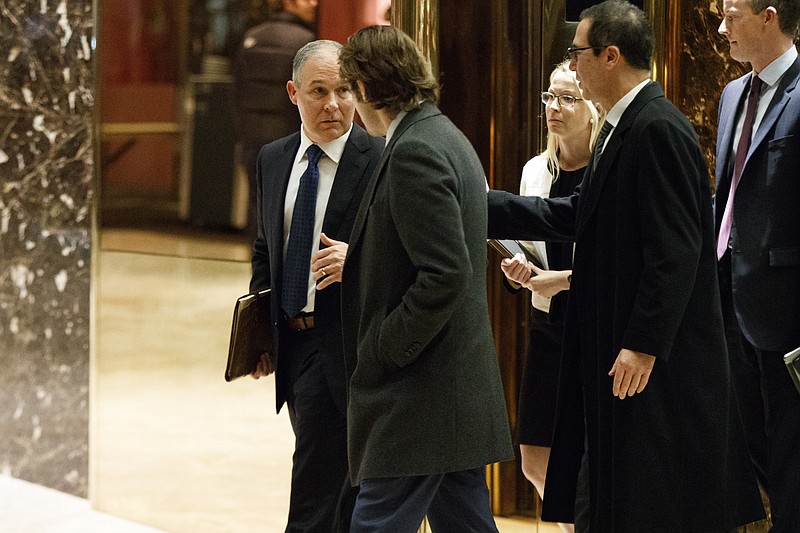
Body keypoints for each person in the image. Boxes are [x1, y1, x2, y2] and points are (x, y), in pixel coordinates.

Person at [487, 1, 764, 530]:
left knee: (652, 503)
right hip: (616, 353)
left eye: (579, 54)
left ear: (611, 56)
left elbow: (677, 251)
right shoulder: (623, 124)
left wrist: (643, 342)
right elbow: (581, 214)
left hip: (653, 367)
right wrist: (488, 204)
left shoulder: (658, 127)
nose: (572, 66)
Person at [337, 25, 515, 533]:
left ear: (367, 89)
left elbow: (444, 275)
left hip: (420, 396)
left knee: (375, 524)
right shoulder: (442, 134)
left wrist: (382, 346)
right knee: (467, 522)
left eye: (350, 88)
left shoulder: (416, 149)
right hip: (448, 395)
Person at [249, 39, 383, 533]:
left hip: (351, 347)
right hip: (294, 342)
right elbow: (267, 248)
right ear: (293, 93)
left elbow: (409, 253)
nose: (333, 104)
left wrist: (362, 259)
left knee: (315, 494)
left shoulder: (380, 159)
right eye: (319, 91)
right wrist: (261, 332)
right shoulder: (273, 158)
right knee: (336, 492)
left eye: (344, 90)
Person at [497, 61, 600, 533]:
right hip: (547, 326)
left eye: (567, 99)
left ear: (593, 108)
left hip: (594, 326)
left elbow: (621, 265)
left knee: (584, 462)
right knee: (534, 459)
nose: (554, 109)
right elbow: (526, 254)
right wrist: (519, 272)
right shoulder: (536, 171)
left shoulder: (606, 169)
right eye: (549, 98)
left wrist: (561, 279)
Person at [716, 1, 800, 530]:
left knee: (794, 470)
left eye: (731, 15)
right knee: (752, 459)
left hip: (787, 316)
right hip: (728, 305)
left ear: (769, 17)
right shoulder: (729, 95)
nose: (722, 28)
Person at [234, 0, 318, 239]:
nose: (314, 3)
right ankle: (284, 275)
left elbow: (238, 94)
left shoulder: (251, 37)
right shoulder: (306, 41)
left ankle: (261, 273)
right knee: (292, 211)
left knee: (258, 210)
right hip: (290, 141)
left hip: (253, 141)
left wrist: (242, 133)